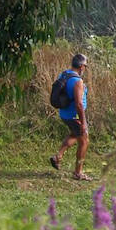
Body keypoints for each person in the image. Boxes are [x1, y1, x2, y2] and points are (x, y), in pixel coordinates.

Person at [50, 52, 91, 180]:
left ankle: (58, 156)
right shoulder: (77, 81)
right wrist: (83, 122)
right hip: (74, 115)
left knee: (75, 134)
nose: (85, 69)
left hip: (64, 113)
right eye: (86, 66)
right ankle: (78, 173)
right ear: (82, 66)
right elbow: (79, 104)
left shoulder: (64, 74)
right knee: (84, 140)